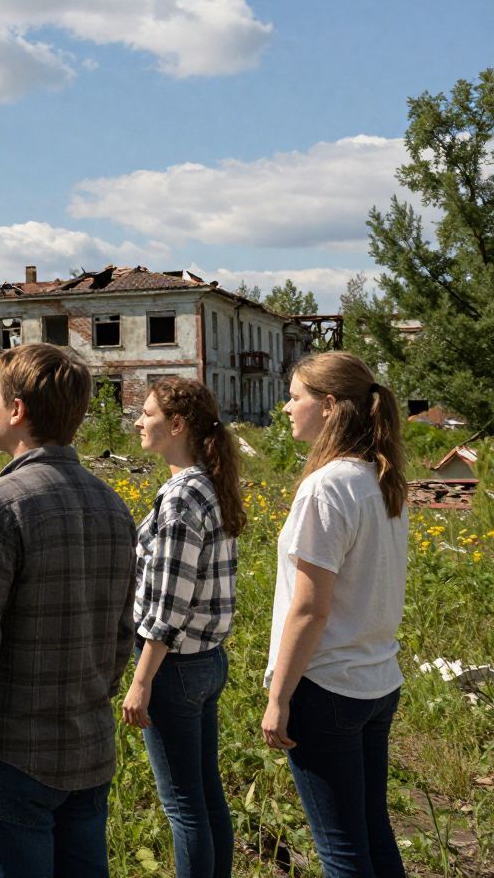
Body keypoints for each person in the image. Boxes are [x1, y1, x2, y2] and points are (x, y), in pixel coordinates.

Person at [0, 343, 136, 878]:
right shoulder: (113, 505)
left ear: (17, 411)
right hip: (88, 751)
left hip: (9, 759)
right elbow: (120, 637)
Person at [263, 351, 408, 878]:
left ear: (327, 406)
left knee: (342, 851)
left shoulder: (325, 487)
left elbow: (309, 607)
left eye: (295, 397)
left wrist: (279, 696)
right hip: (375, 681)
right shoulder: (379, 478)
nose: (286, 408)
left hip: (325, 688)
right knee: (371, 832)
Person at [121, 378, 245, 878]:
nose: (137, 421)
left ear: (176, 425)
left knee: (183, 807)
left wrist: (141, 680)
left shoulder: (179, 499)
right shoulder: (208, 485)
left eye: (146, 413)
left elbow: (170, 604)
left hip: (173, 668)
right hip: (207, 661)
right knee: (205, 793)